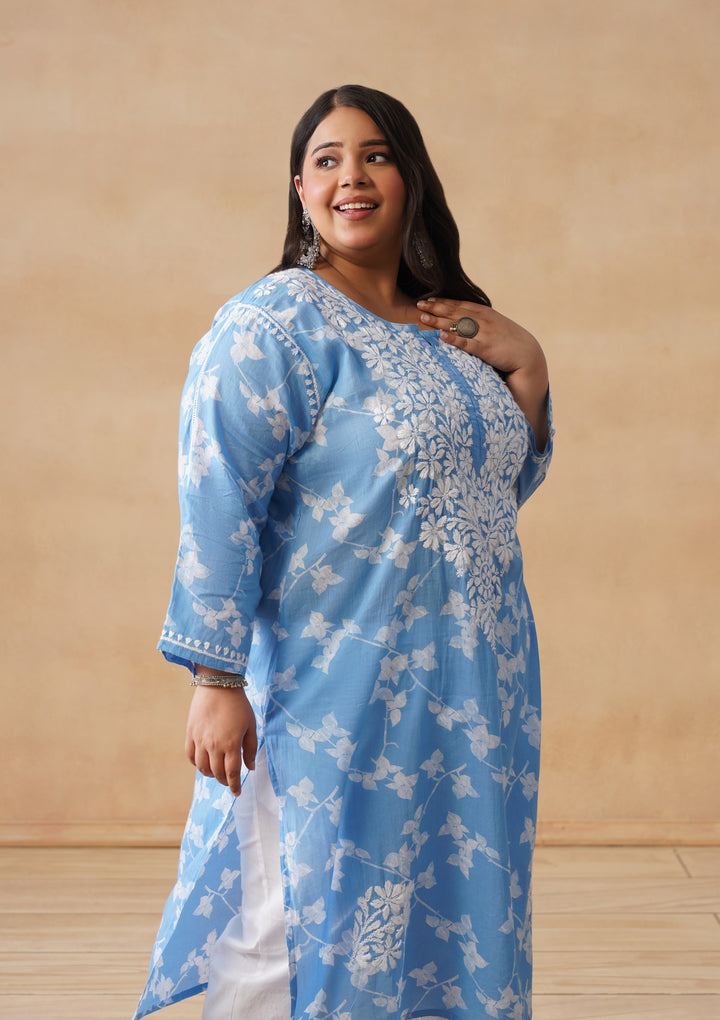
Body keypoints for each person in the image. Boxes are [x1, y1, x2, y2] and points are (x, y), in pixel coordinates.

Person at [135, 84, 552, 1020]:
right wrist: (216, 677)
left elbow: (484, 498)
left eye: (375, 156)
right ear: (300, 189)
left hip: (477, 695)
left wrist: (527, 369)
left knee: (460, 917)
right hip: (335, 691)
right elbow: (219, 494)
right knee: (293, 920)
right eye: (327, 159)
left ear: (410, 179)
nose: (351, 177)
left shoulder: (447, 328)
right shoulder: (274, 326)